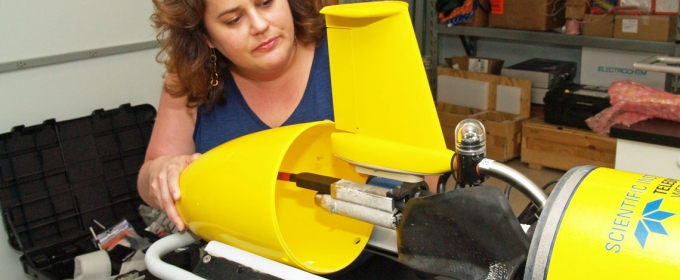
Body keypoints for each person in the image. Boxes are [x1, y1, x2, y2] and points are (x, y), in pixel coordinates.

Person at [138, 0, 332, 231]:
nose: (259, 25)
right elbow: (147, 178)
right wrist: (162, 172)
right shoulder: (190, 81)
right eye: (234, 20)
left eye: (266, 3)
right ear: (206, 35)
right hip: (241, 257)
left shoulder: (343, 51)